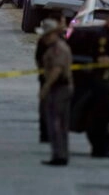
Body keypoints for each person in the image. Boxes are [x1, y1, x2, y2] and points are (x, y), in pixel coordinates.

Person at [37, 18, 73, 166]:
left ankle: (59, 155)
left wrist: (46, 87)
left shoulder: (57, 49)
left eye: (46, 35)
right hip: (62, 87)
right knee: (61, 124)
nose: (44, 38)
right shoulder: (56, 47)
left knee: (55, 123)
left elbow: (56, 70)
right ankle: (61, 154)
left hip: (59, 88)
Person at [86, 10, 109, 158]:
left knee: (105, 116)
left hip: (108, 80)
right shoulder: (103, 36)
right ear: (107, 20)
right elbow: (101, 59)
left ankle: (103, 147)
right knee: (100, 117)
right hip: (101, 80)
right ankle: (99, 149)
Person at [35, 10, 66, 143]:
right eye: (63, 21)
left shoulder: (61, 37)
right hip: (49, 77)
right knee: (47, 105)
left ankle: (51, 132)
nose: (65, 24)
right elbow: (39, 58)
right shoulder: (47, 41)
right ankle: (46, 133)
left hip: (58, 78)